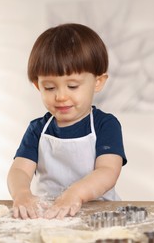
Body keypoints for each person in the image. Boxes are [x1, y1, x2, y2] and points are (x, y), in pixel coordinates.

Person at [7, 23, 127, 220]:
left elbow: (108, 171)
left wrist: (75, 195)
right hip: (50, 215)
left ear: (98, 82)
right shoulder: (38, 129)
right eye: (50, 88)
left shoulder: (106, 125)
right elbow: (19, 169)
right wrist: (21, 193)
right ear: (38, 86)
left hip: (100, 216)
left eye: (72, 86)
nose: (61, 96)